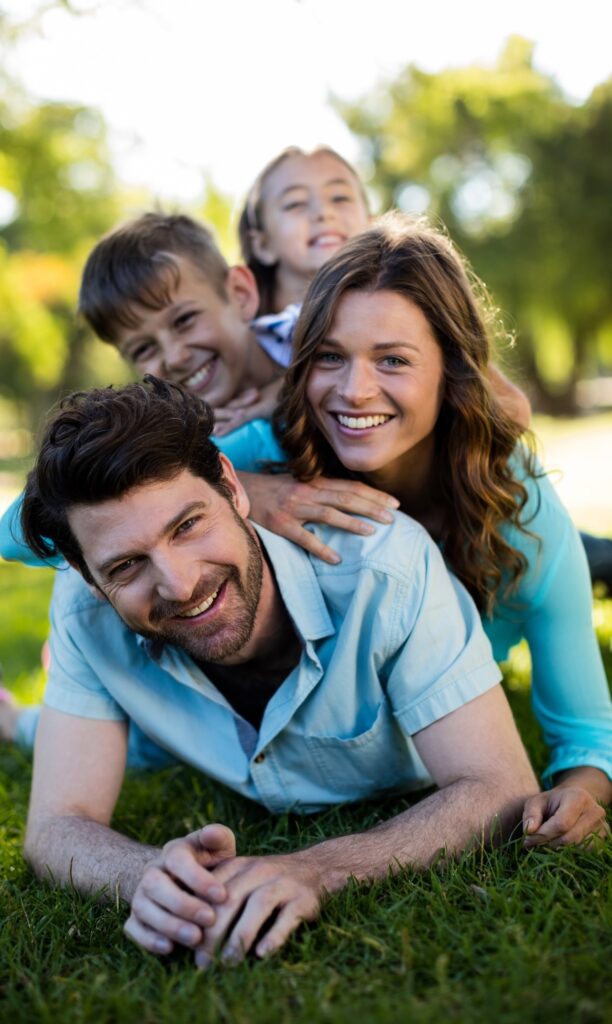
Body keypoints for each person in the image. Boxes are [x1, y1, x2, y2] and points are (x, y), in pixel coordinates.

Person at [19, 376, 537, 965]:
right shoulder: (84, 611)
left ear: (233, 488)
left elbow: (500, 785)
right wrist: (149, 877)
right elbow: (56, 824)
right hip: (168, 737)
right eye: (127, 565)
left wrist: (316, 868)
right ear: (88, 577)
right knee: (93, 740)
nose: (180, 583)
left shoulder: (384, 570)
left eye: (187, 525)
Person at [215, 213, 612, 849]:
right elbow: (27, 531)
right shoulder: (269, 455)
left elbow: (587, 730)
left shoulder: (517, 502)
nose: (353, 390)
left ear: (452, 368)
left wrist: (581, 791)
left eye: (392, 359)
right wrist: (242, 491)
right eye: (330, 357)